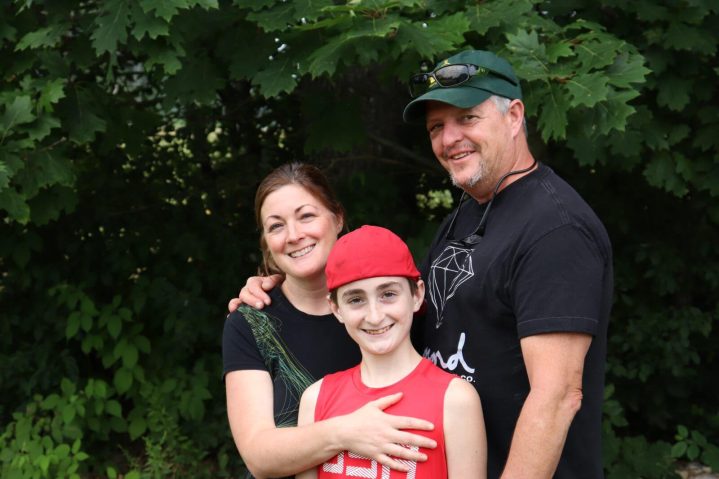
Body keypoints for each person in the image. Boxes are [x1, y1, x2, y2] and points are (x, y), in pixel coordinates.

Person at [233, 50, 613, 479]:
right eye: (437, 127)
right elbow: (385, 291)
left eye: (467, 118)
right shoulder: (469, 214)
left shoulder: (553, 229)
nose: (450, 138)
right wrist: (290, 286)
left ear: (514, 116)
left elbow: (558, 395)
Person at [222, 163, 437, 479]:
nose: (294, 235)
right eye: (276, 226)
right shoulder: (252, 323)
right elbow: (259, 455)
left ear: (338, 217)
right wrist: (346, 432)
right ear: (266, 242)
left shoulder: (392, 307)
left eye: (306, 216)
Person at [296, 225, 486, 479]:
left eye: (388, 294)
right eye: (355, 299)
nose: (375, 316)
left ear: (417, 295)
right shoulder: (315, 399)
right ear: (336, 308)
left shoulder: (455, 399)